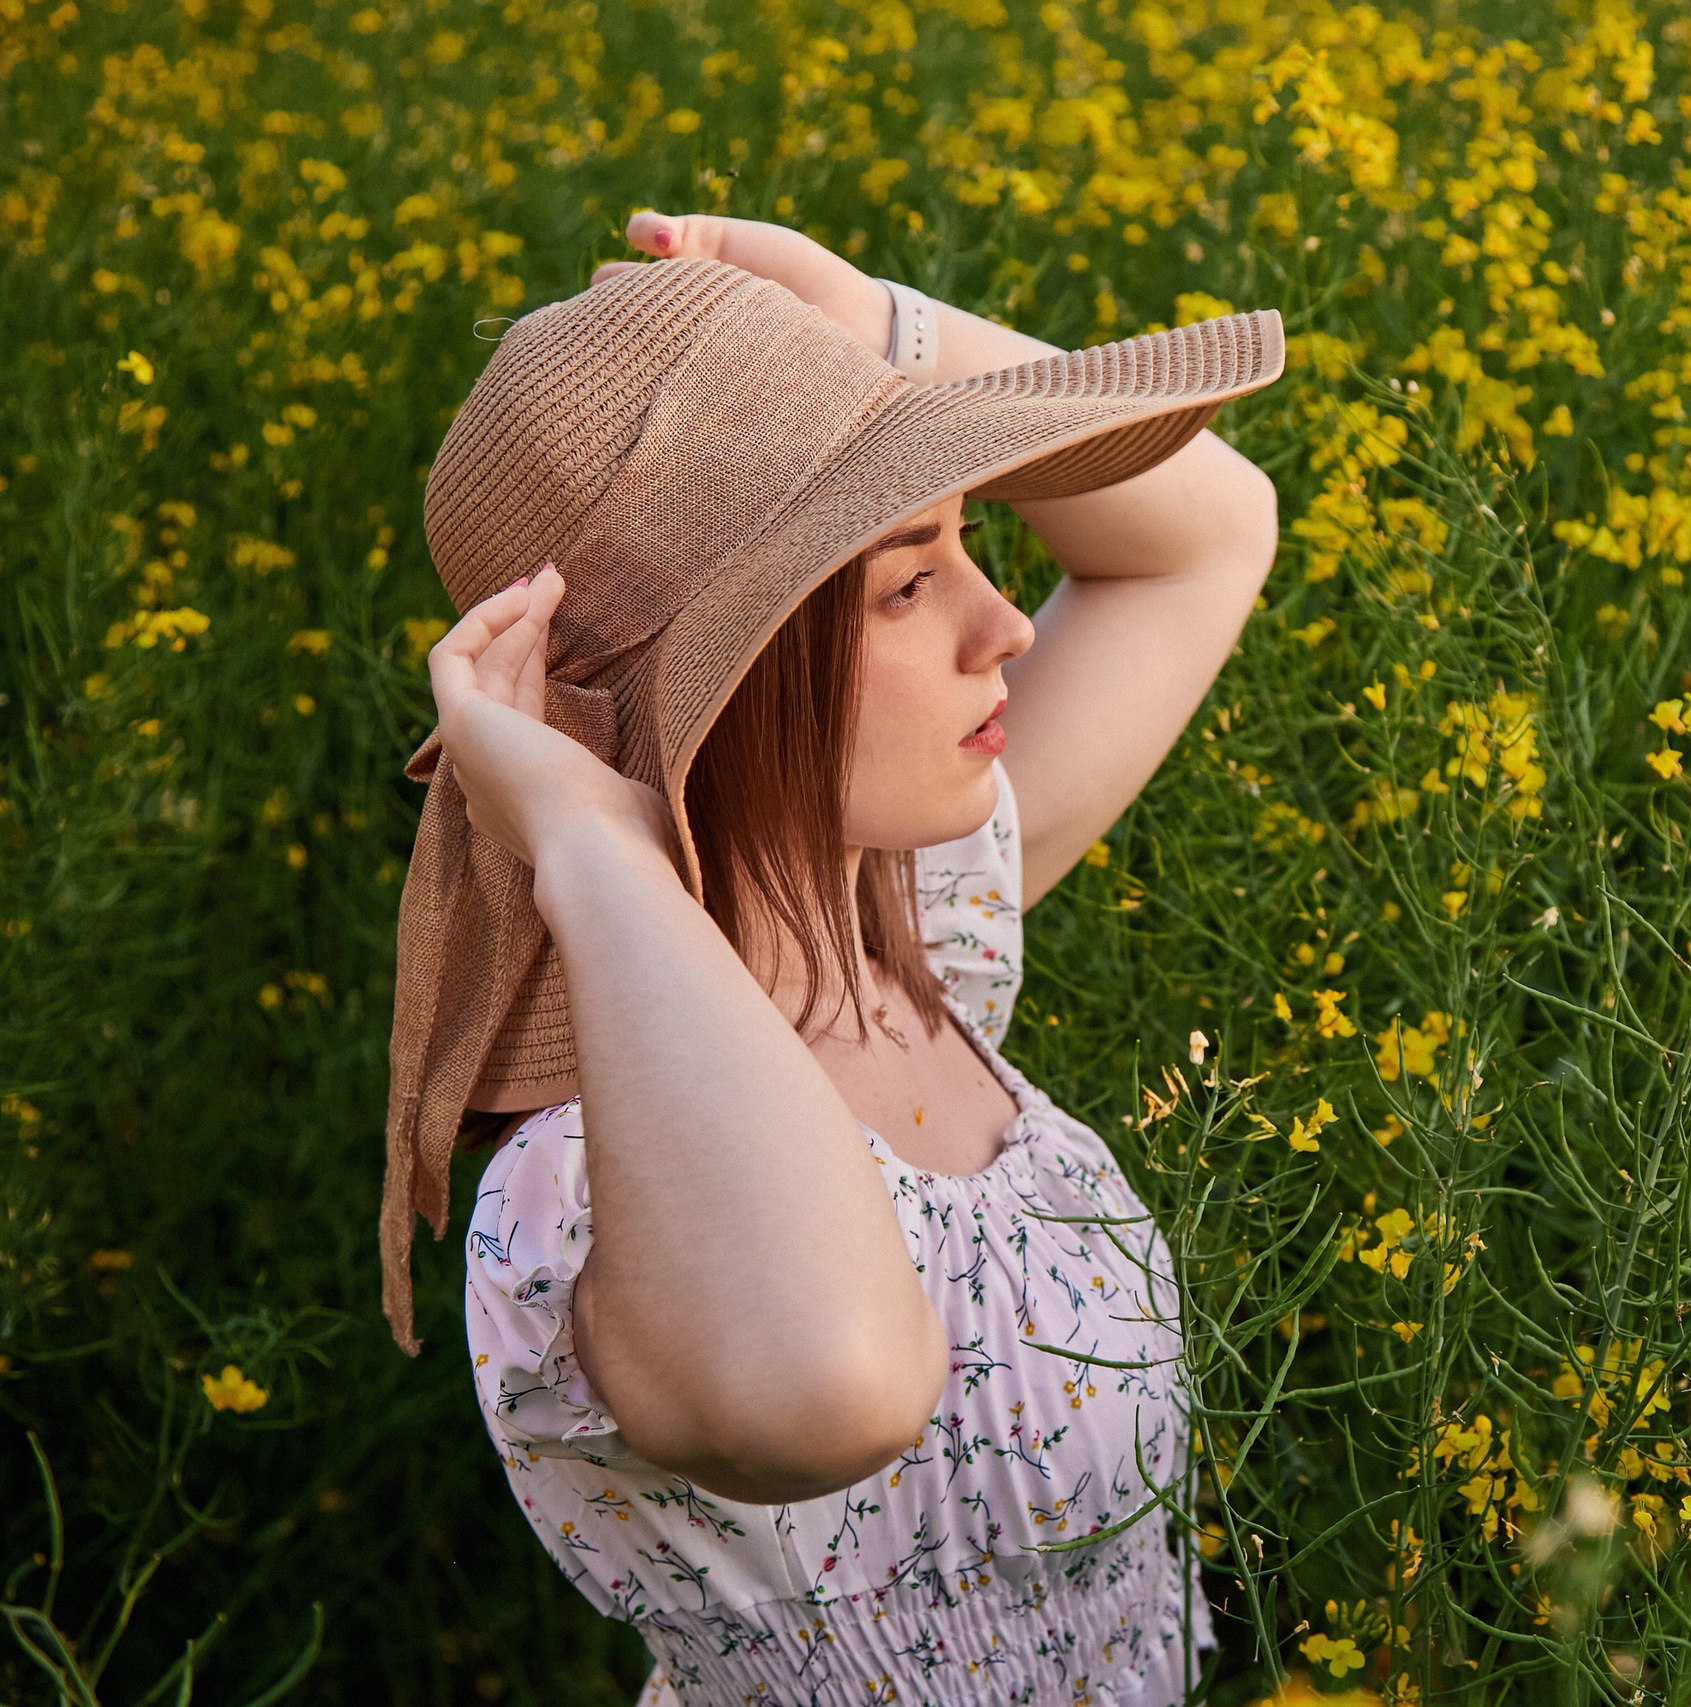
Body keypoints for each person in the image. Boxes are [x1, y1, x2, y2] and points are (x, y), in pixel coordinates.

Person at [383, 209, 1285, 1703]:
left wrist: (882, 328)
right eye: (909, 580)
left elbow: (1207, 533)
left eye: (970, 549)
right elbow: (837, 1385)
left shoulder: (916, 929)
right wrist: (588, 842)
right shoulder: (591, 1168)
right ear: (724, 682)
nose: (1004, 626)